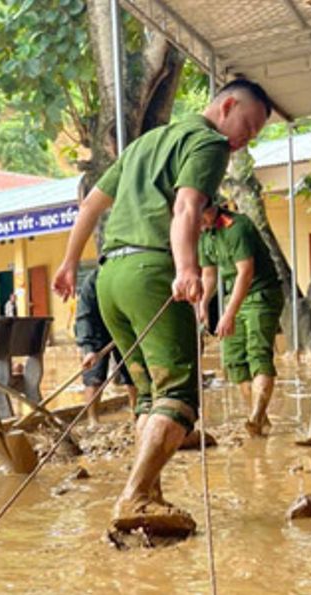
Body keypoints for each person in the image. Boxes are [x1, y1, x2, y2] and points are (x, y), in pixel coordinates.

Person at [52, 78, 271, 534]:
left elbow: (91, 204)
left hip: (109, 275)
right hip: (153, 271)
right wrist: (186, 267)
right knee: (179, 394)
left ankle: (149, 493)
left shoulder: (147, 142)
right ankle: (134, 494)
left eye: (251, 138)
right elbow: (187, 208)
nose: (242, 142)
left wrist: (71, 262)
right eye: (245, 128)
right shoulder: (209, 143)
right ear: (226, 105)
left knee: (149, 394)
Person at [199, 204, 283, 436]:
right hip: (234, 298)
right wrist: (204, 303)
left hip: (261, 294)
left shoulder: (237, 227)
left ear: (207, 207)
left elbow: (245, 273)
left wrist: (229, 314)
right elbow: (208, 274)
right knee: (235, 361)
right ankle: (260, 421)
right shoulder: (204, 235)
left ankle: (255, 416)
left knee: (258, 354)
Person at [74, 269, 138, 426]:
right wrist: (88, 349)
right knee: (93, 374)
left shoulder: (128, 275)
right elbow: (84, 317)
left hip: (124, 324)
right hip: (97, 327)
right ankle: (93, 421)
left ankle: (136, 415)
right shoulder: (92, 282)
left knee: (132, 369)